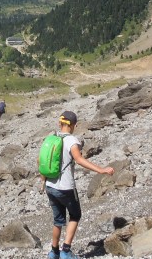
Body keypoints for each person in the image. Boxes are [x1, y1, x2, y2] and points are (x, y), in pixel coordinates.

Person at [42, 110, 115, 259]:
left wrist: (43, 181)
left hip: (50, 185)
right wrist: (101, 170)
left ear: (60, 123)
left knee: (58, 220)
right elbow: (80, 160)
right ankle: (66, 251)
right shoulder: (72, 141)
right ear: (73, 125)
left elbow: (40, 161)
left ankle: (53, 252)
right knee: (75, 215)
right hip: (66, 187)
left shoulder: (50, 139)